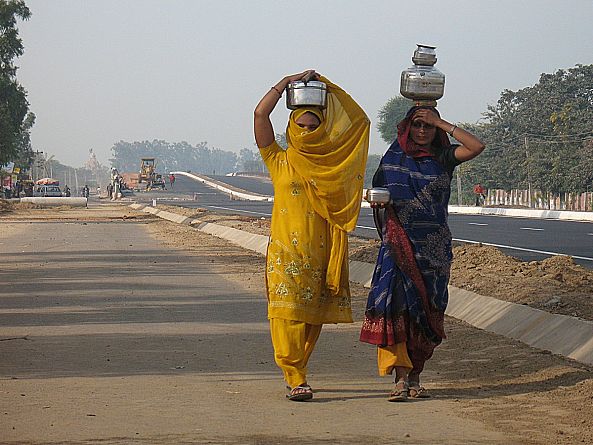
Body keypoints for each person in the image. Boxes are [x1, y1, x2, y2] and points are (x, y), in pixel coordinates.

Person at [254, 70, 370, 401]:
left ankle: (298, 368)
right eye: (300, 126)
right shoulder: (279, 160)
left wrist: (330, 89)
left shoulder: (332, 167)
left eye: (313, 126)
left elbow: (359, 122)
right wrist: (284, 83)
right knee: (286, 314)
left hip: (321, 254)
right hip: (286, 254)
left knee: (310, 318)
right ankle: (294, 374)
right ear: (291, 127)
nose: (306, 132)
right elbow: (260, 114)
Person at [360, 106, 485, 402]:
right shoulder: (392, 160)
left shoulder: (443, 158)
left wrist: (440, 121)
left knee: (427, 312)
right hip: (398, 245)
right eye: (417, 124)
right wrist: (376, 201)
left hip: (434, 249)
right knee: (396, 308)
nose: (422, 131)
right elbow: (376, 192)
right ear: (407, 127)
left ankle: (416, 375)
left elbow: (476, 146)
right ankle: (400, 379)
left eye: (428, 127)